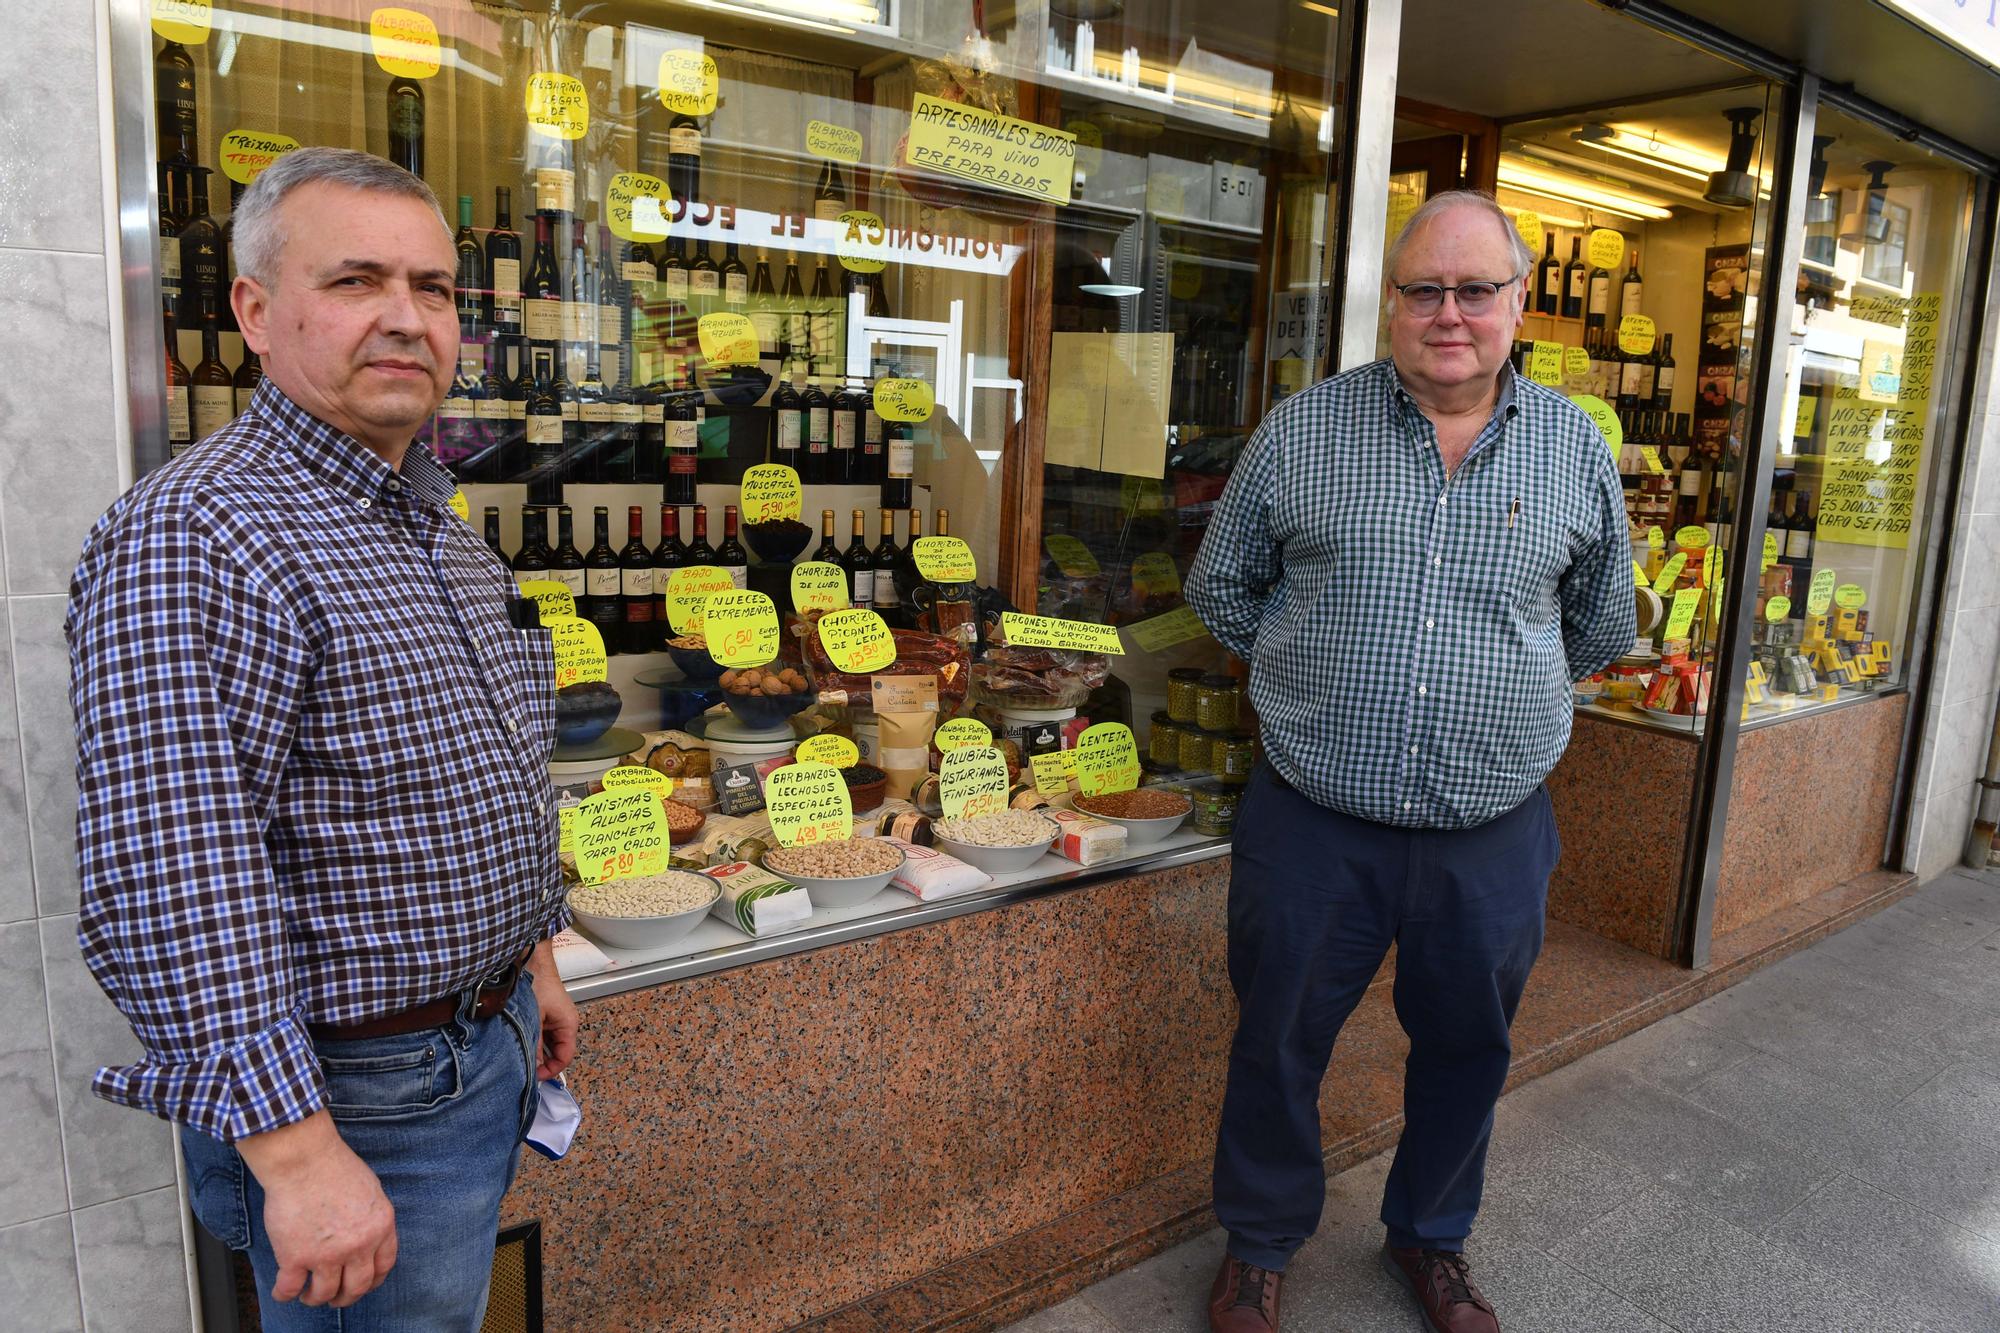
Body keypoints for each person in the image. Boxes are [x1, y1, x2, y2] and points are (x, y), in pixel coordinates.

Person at [67, 147, 577, 1330]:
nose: (405, 318)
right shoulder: (200, 531)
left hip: (474, 1044)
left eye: (434, 288)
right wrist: (295, 1156)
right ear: (254, 310)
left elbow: (484, 761)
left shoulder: (431, 520)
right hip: (353, 1099)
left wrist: (533, 956)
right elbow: (172, 875)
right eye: (355, 281)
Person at [1183, 190, 1636, 1333]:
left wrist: (1500, 704)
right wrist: (1300, 680)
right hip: (1313, 822)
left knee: (1467, 1046)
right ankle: (1258, 1245)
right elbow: (1220, 588)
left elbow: (1596, 625)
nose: (1448, 313)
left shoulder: (1574, 448)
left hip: (1490, 830)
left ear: (1516, 304)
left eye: (1473, 290)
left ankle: (1428, 1238)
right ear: (1388, 303)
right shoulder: (1301, 431)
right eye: (1422, 289)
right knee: (1278, 1036)